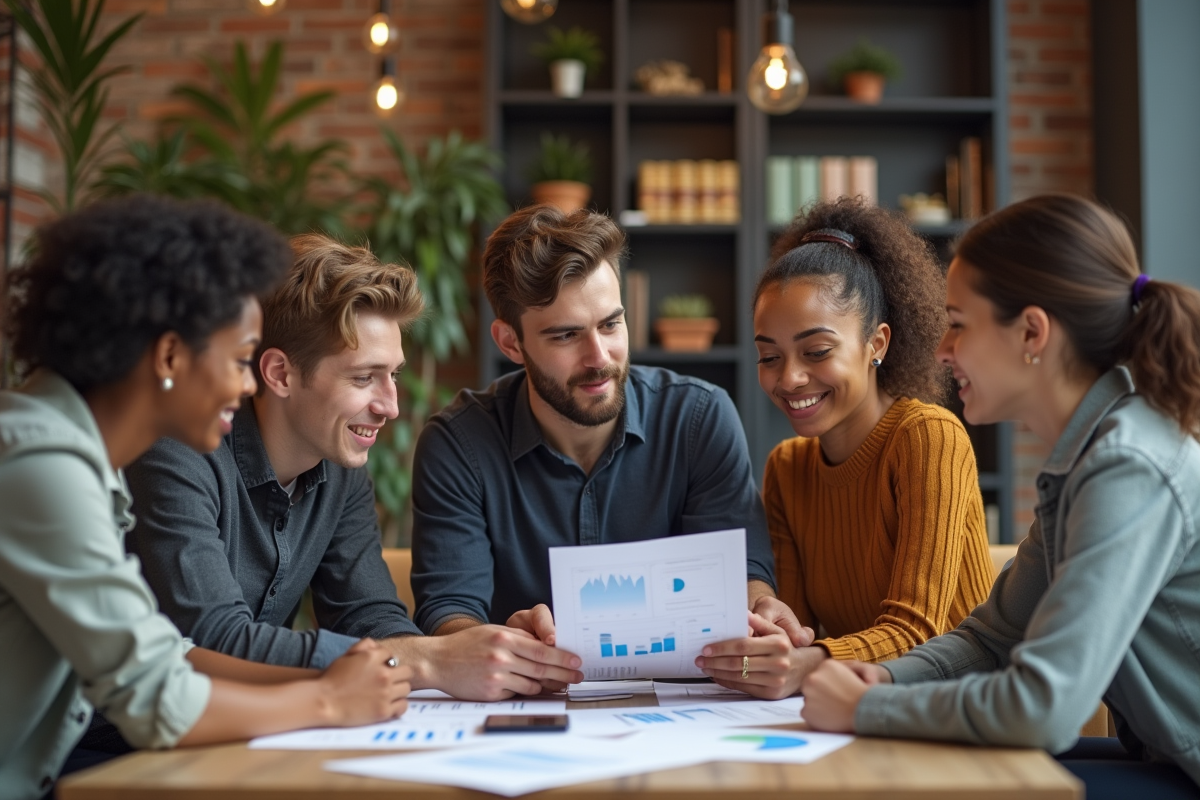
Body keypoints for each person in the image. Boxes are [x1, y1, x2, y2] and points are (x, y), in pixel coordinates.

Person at [0, 195, 410, 800]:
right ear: (169, 356)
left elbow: (178, 654)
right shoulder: (43, 464)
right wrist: (329, 697)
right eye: (241, 360)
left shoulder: (83, 460)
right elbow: (156, 694)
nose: (248, 386)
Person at [799, 194, 1200, 800]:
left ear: (1031, 332)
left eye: (958, 323)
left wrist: (869, 708)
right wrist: (878, 677)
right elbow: (992, 639)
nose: (940, 350)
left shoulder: (1127, 465)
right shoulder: (1089, 457)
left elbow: (1045, 706)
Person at [122, 234, 583, 703]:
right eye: (363, 377)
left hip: (236, 736)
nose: (391, 406)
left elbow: (370, 617)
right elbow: (215, 637)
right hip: (114, 750)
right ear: (280, 373)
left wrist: (483, 656)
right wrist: (428, 661)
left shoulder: (338, 465)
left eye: (394, 374)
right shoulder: (177, 450)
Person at [410, 204, 806, 654]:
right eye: (565, 335)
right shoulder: (458, 444)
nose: (599, 357)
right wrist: (489, 641)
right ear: (510, 343)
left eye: (611, 324)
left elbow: (741, 578)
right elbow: (447, 611)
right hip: (529, 696)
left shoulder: (698, 418)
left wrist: (758, 605)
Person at [694, 199, 994, 699]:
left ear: (876, 344)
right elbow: (798, 633)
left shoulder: (928, 437)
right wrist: (771, 642)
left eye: (816, 352)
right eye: (769, 356)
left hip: (963, 710)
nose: (789, 378)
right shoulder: (787, 468)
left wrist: (807, 664)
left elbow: (920, 634)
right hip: (864, 708)